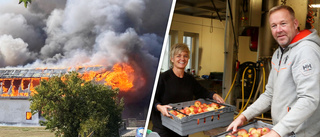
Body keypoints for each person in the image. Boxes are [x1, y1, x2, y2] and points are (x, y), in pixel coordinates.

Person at [227, 5, 320, 137]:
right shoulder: (278, 53)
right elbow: (269, 94)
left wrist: (277, 132)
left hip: (301, 133)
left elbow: (309, 99)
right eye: (274, 26)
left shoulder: (306, 51)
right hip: (284, 131)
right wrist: (244, 116)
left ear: (295, 23)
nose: (279, 30)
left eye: (283, 23)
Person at [151, 43, 224, 137]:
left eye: (185, 56)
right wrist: (159, 107)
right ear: (172, 59)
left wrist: (214, 95)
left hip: (182, 127)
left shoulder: (189, 79)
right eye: (178, 56)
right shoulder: (163, 78)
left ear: (188, 59)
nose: (182, 59)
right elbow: (151, 99)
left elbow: (202, 92)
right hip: (164, 128)